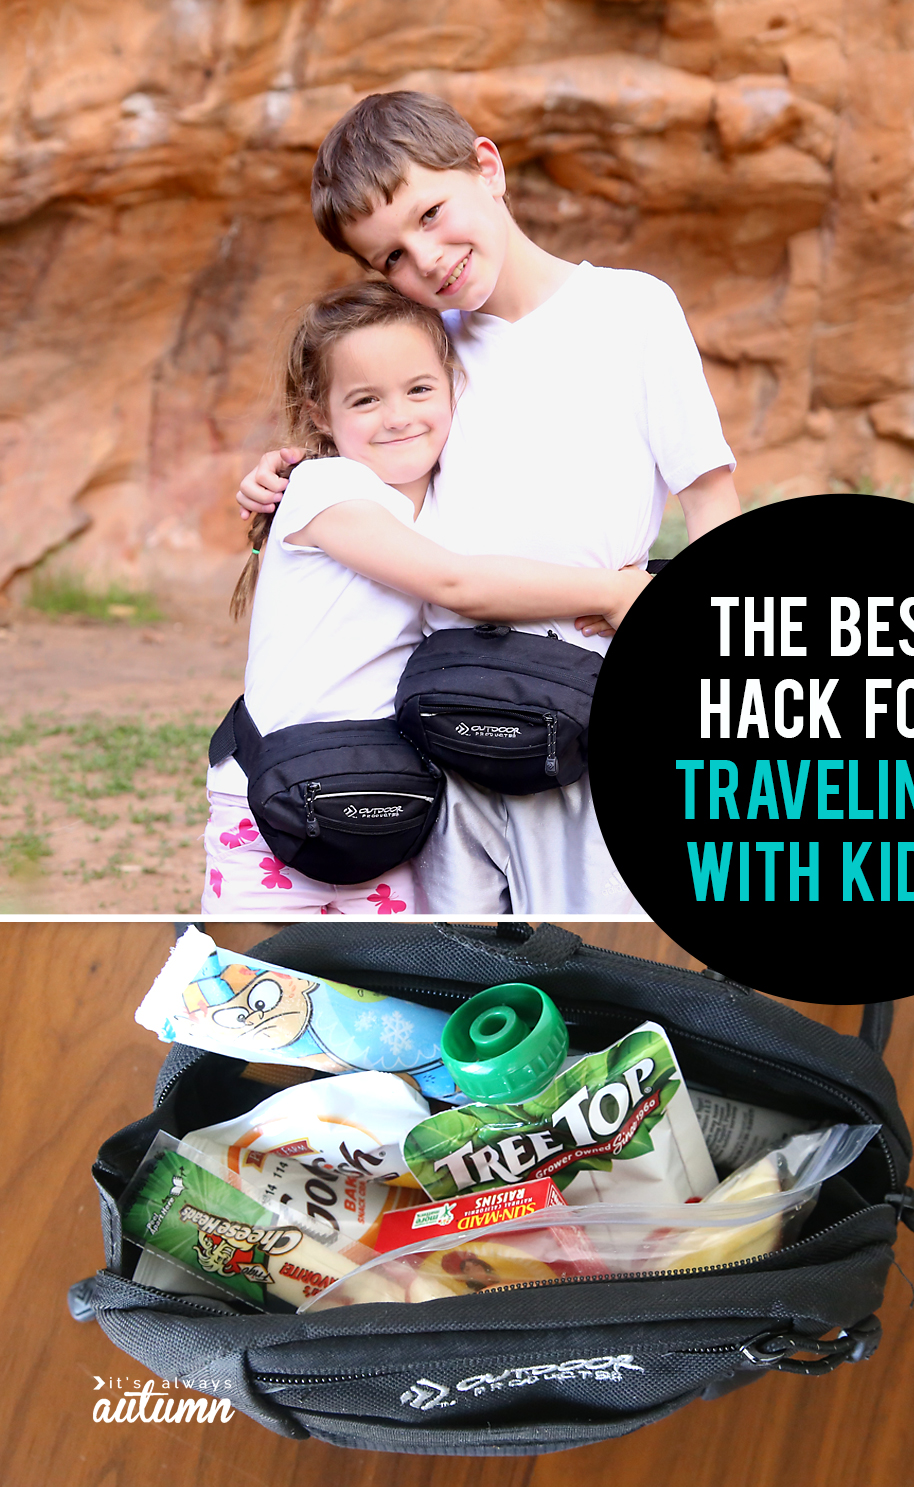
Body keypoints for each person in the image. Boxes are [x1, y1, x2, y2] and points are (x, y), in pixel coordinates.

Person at [237, 91, 740, 915]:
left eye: (432, 214)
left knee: (606, 948)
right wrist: (291, 470)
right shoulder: (429, 350)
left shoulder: (629, 311)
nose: (427, 259)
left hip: (580, 699)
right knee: (460, 959)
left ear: (488, 166)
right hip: (438, 724)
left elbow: (713, 500)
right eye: (392, 257)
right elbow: (368, 471)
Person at [206, 279, 650, 915]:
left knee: (389, 972)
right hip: (273, 803)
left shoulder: (442, 499)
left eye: (419, 389)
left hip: (386, 806)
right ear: (318, 412)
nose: (398, 416)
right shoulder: (323, 488)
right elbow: (456, 582)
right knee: (276, 965)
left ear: (452, 389)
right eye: (365, 400)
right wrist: (615, 591)